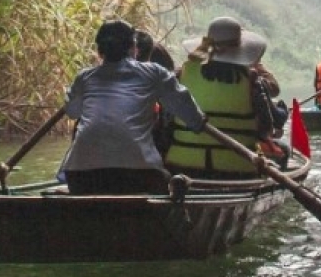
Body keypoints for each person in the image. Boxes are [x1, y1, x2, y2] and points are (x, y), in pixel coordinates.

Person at [57, 20, 208, 195]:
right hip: (137, 177)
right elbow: (186, 109)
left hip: (81, 177)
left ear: (99, 52)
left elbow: (72, 111)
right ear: (133, 48)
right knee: (169, 180)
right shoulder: (154, 72)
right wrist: (198, 122)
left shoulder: (84, 77)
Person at [165, 17, 281, 177]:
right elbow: (266, 129)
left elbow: (166, 121)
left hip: (182, 166)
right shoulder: (251, 80)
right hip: (238, 168)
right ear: (240, 51)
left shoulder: (181, 74)